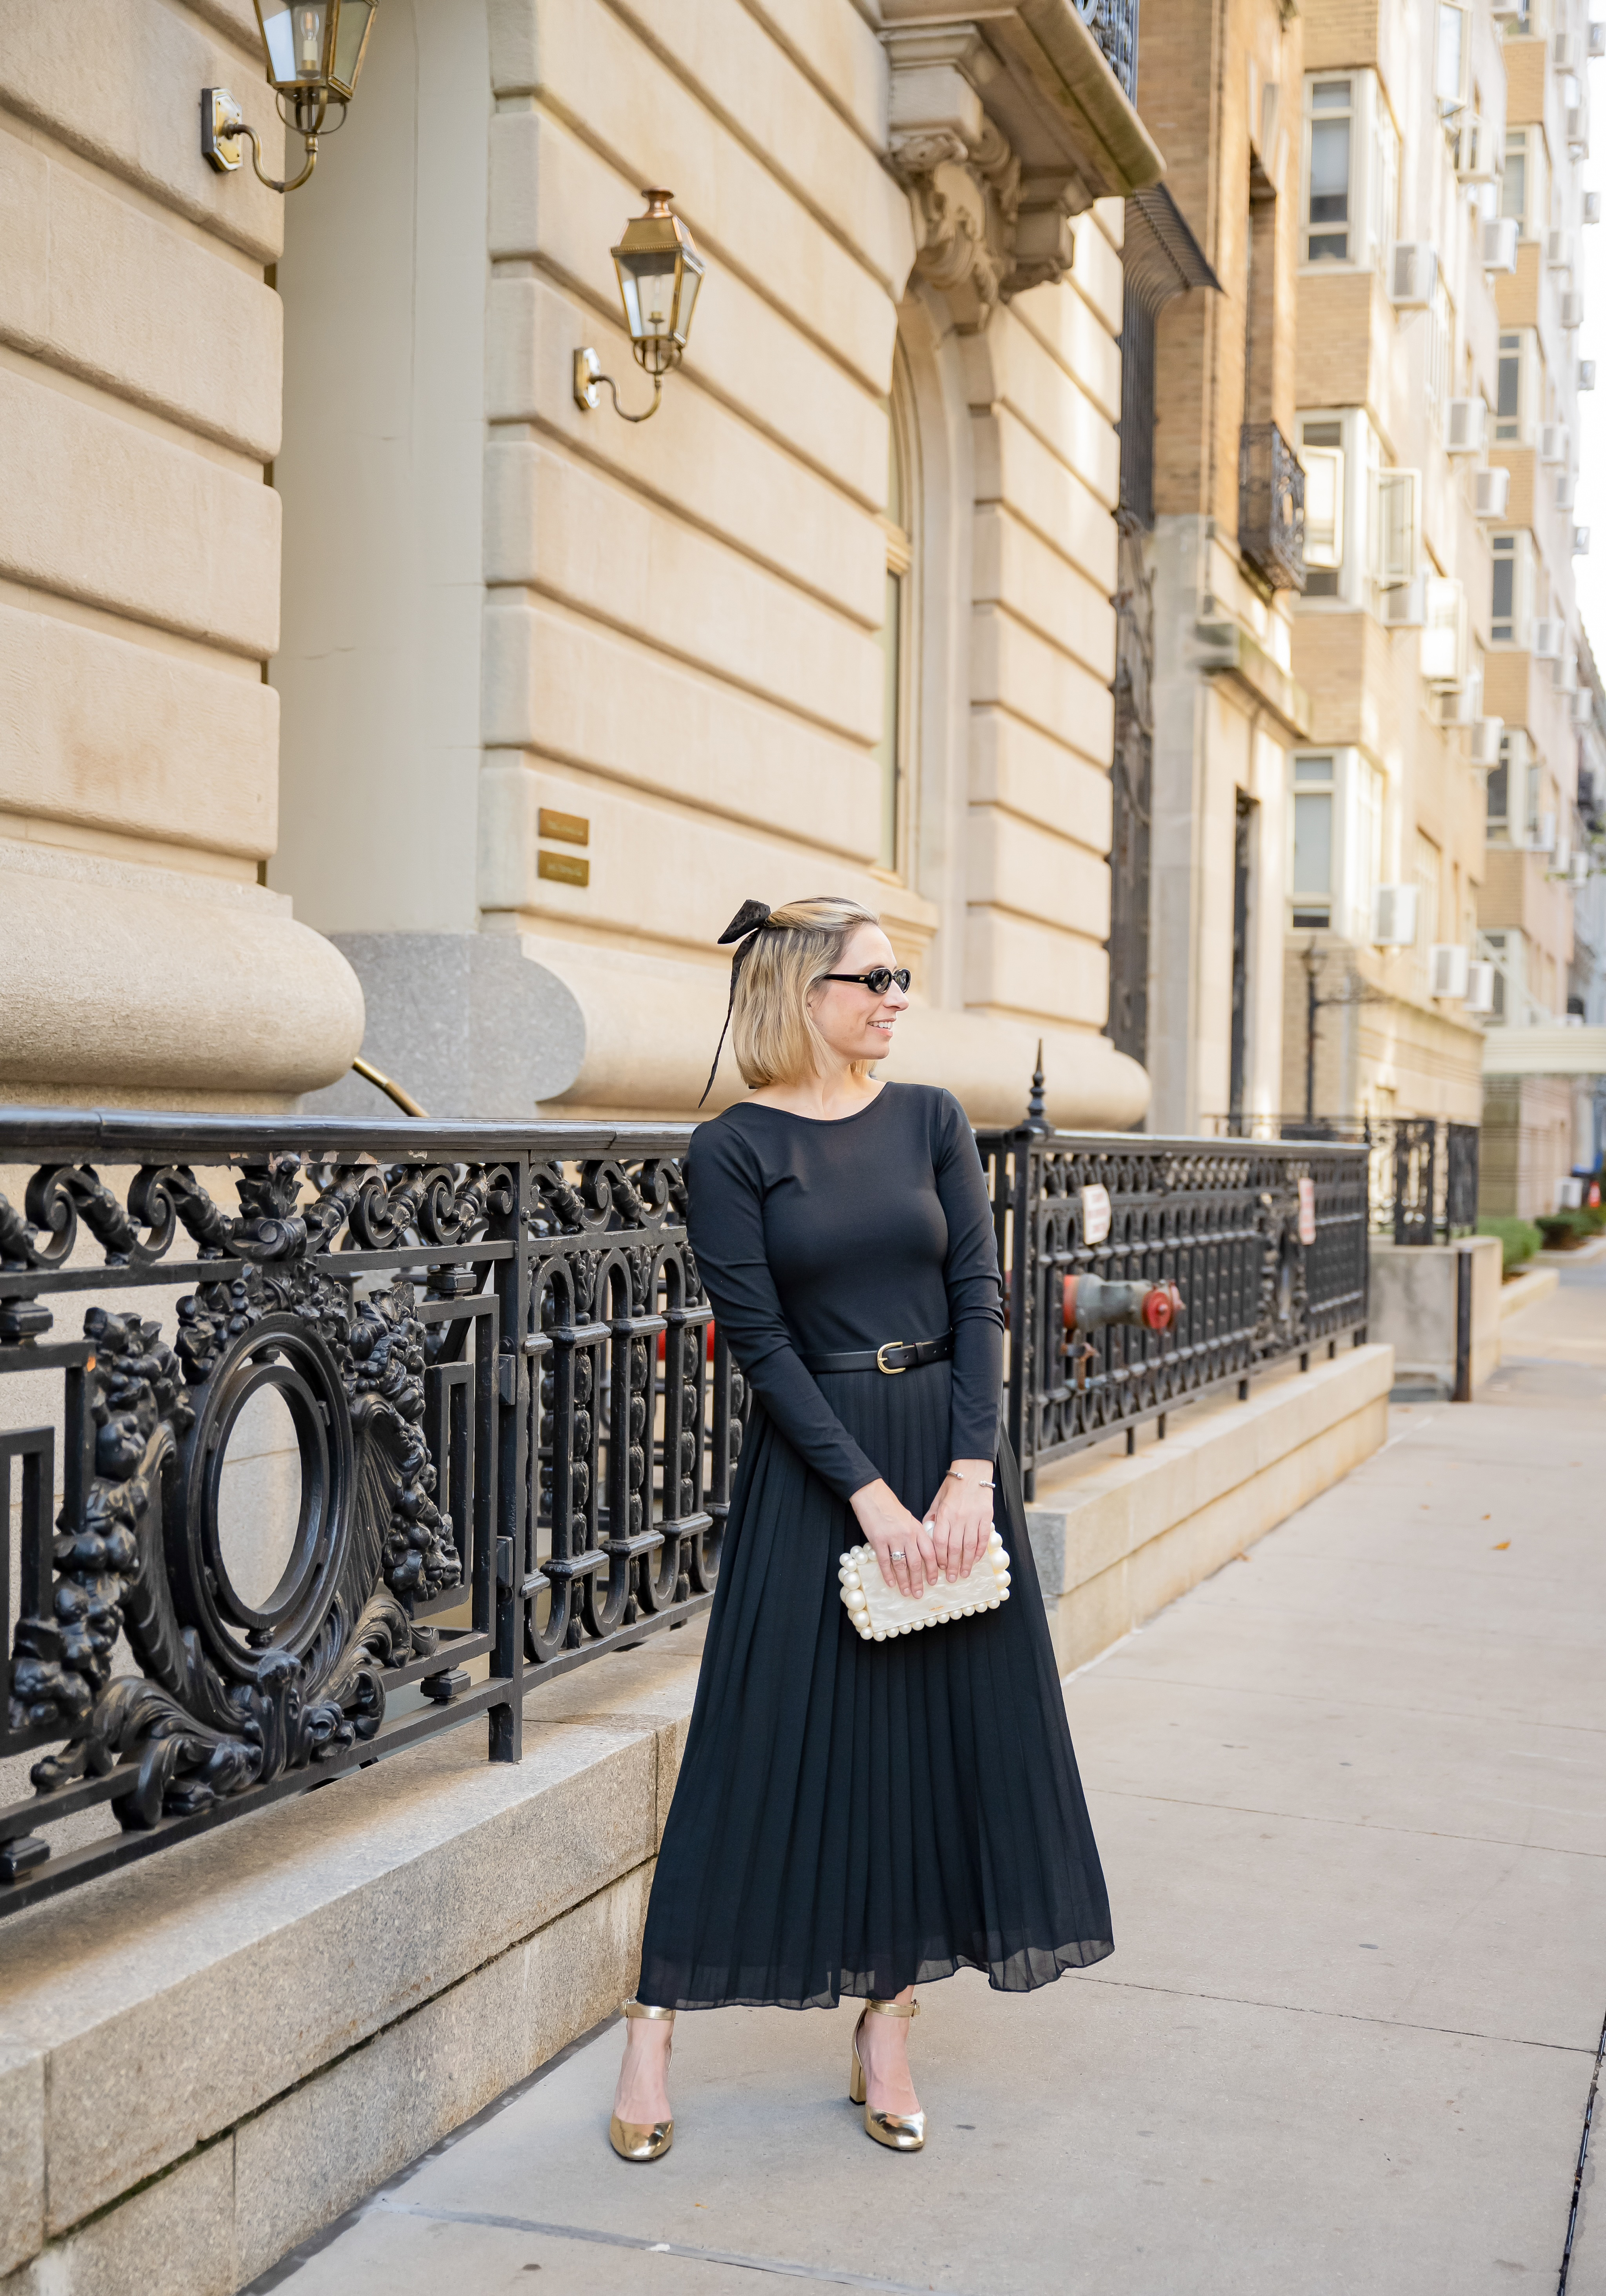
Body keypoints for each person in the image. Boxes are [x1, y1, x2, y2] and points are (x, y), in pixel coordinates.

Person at [609, 895, 1111, 2162]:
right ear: (800, 991)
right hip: (816, 1468)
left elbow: (981, 1295)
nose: (896, 997)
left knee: (931, 1750)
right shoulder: (732, 1148)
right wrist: (872, 1498)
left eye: (902, 978)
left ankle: (887, 2030)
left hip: (944, 1451)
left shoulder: (934, 1120)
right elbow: (760, 1346)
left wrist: (965, 1475)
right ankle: (653, 2025)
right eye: (873, 978)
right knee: (755, 1740)